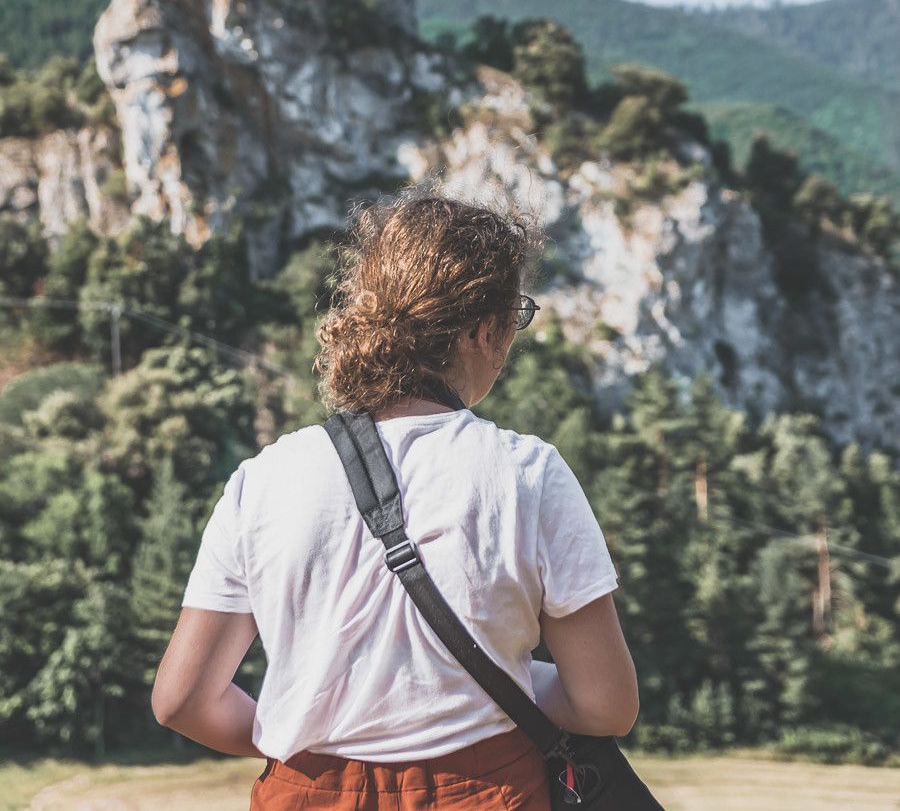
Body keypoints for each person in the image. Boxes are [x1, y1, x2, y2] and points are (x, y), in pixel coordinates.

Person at [152, 192, 639, 809]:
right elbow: (606, 706)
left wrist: (310, 726)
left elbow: (182, 700)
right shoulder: (529, 474)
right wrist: (514, 683)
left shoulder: (264, 477)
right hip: (485, 793)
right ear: (479, 330)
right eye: (515, 316)